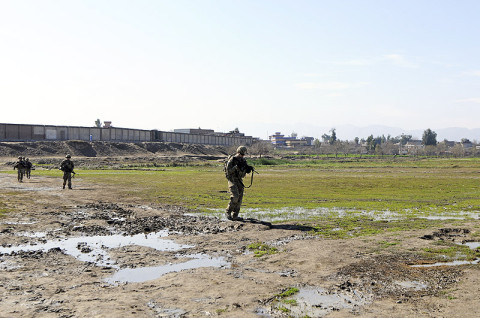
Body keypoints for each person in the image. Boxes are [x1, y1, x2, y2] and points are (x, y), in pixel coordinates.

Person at [225, 146, 254, 221]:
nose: (242, 156)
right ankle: (228, 212)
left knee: (240, 199)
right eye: (241, 154)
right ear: (238, 152)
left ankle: (235, 215)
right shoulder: (232, 160)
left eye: (243, 154)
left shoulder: (243, 160)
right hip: (232, 180)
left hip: (239, 180)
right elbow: (228, 171)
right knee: (235, 197)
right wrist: (236, 167)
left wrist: (248, 169)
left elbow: (244, 170)